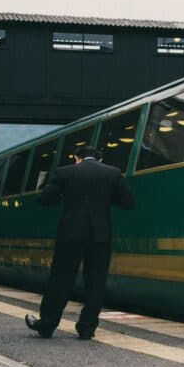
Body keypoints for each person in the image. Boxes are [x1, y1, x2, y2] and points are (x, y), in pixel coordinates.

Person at [25, 145, 134, 339]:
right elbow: (127, 202)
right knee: (96, 282)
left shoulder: (65, 172)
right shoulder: (113, 173)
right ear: (100, 159)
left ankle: (47, 325)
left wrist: (49, 189)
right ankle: (87, 328)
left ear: (76, 158)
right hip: (100, 235)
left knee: (60, 279)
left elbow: (45, 199)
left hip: (70, 234)